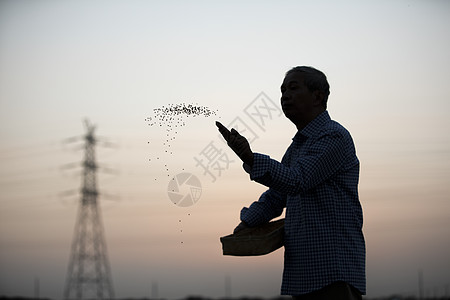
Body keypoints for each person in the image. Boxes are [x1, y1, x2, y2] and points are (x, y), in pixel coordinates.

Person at [216, 66, 366, 300]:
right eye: (283, 90)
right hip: (305, 273)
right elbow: (277, 195)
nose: (285, 96)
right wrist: (249, 222)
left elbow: (297, 180)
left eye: (293, 88)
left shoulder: (334, 136)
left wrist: (250, 157)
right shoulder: (298, 147)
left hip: (333, 270)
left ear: (318, 96)